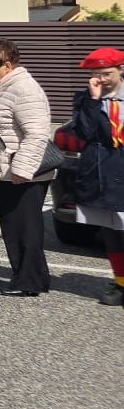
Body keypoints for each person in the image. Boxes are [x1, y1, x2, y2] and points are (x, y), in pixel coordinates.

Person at [0, 38, 53, 298]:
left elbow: (37, 133)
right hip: (8, 171)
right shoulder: (6, 87)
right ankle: (36, 278)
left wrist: (22, 168)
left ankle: (27, 281)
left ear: (7, 65)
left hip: (21, 174)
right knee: (16, 227)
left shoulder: (24, 89)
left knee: (23, 229)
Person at [60, 47, 124, 307]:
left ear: (120, 70)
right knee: (110, 231)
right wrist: (95, 100)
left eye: (107, 73)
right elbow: (84, 132)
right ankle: (120, 282)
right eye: (96, 74)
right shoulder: (86, 99)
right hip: (100, 172)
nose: (102, 79)